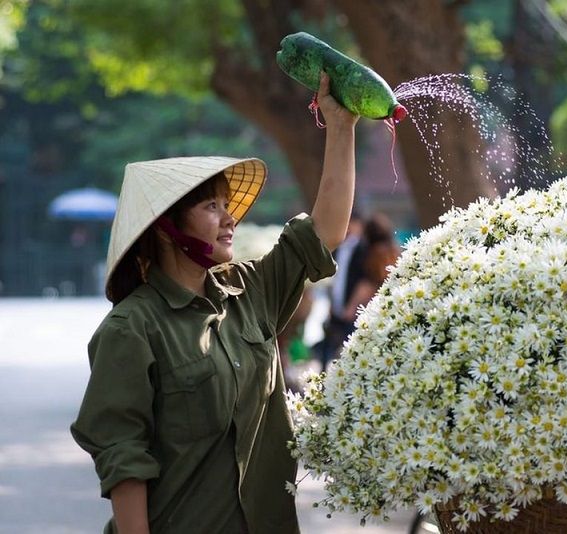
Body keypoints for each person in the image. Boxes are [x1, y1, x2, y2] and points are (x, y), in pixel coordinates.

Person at [70, 72, 357, 534]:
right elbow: (124, 460)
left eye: (228, 205)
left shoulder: (252, 291)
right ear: (167, 227)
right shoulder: (132, 328)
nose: (230, 219)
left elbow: (325, 232)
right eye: (211, 208)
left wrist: (341, 128)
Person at [321, 212, 364, 370]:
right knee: (328, 348)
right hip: (336, 308)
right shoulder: (336, 249)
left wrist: (352, 306)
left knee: (351, 349)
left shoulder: (362, 249)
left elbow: (363, 282)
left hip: (353, 310)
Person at [342, 212, 401, 322]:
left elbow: (368, 283)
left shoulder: (372, 255)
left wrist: (351, 307)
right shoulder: (395, 251)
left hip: (375, 308)